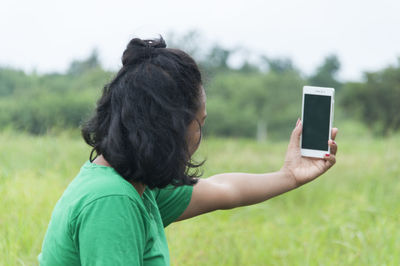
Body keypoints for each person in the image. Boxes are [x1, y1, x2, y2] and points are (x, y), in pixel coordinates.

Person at [38, 36, 338, 265]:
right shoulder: (112, 201)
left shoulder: (135, 187)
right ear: (169, 126)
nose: (200, 135)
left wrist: (289, 175)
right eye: (200, 122)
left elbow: (223, 190)